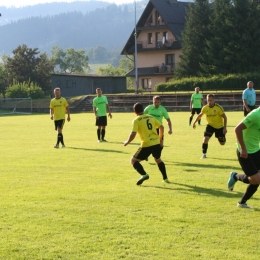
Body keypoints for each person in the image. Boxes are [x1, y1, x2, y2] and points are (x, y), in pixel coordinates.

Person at [124, 103, 170, 185]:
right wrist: (160, 139)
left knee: (133, 160)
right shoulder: (151, 117)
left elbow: (133, 133)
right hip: (156, 142)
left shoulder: (136, 120)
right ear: (143, 110)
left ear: (135, 111)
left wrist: (127, 142)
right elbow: (161, 127)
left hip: (147, 144)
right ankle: (165, 178)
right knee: (158, 159)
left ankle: (144, 175)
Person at [227, 107, 260, 209]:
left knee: (257, 179)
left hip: (256, 150)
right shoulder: (255, 115)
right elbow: (237, 129)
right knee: (256, 179)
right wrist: (243, 149)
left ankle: (242, 202)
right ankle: (236, 176)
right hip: (245, 152)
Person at [193, 94, 227, 159]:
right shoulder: (205, 108)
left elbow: (225, 117)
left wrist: (225, 128)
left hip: (219, 126)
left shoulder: (218, 108)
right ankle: (204, 154)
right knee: (205, 139)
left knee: (222, 143)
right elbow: (200, 115)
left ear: (214, 100)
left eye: (211, 100)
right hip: (210, 126)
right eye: (208, 100)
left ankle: (221, 137)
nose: (209, 102)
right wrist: (194, 122)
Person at [144, 95, 172, 160]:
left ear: (160, 102)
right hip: (149, 129)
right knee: (148, 143)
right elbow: (142, 116)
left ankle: (157, 156)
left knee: (161, 144)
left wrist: (170, 129)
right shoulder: (148, 108)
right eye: (155, 102)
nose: (156, 104)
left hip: (159, 129)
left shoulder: (163, 109)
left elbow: (168, 120)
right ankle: (147, 155)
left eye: (157, 102)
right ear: (153, 101)